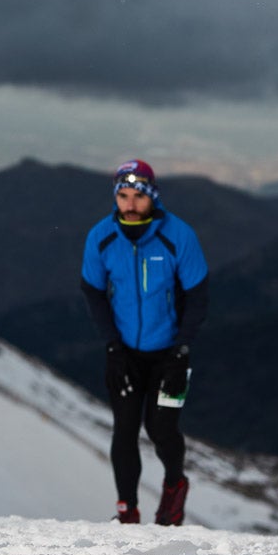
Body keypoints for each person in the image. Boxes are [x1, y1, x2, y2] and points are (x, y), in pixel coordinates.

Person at [80, 159, 209, 525]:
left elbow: (197, 295)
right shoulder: (102, 237)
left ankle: (174, 485)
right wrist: (111, 345)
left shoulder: (177, 236)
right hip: (124, 355)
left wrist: (182, 348)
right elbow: (92, 291)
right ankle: (127, 510)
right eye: (123, 195)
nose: (130, 204)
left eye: (138, 196)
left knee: (162, 429)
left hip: (169, 353)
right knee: (124, 429)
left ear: (152, 197)